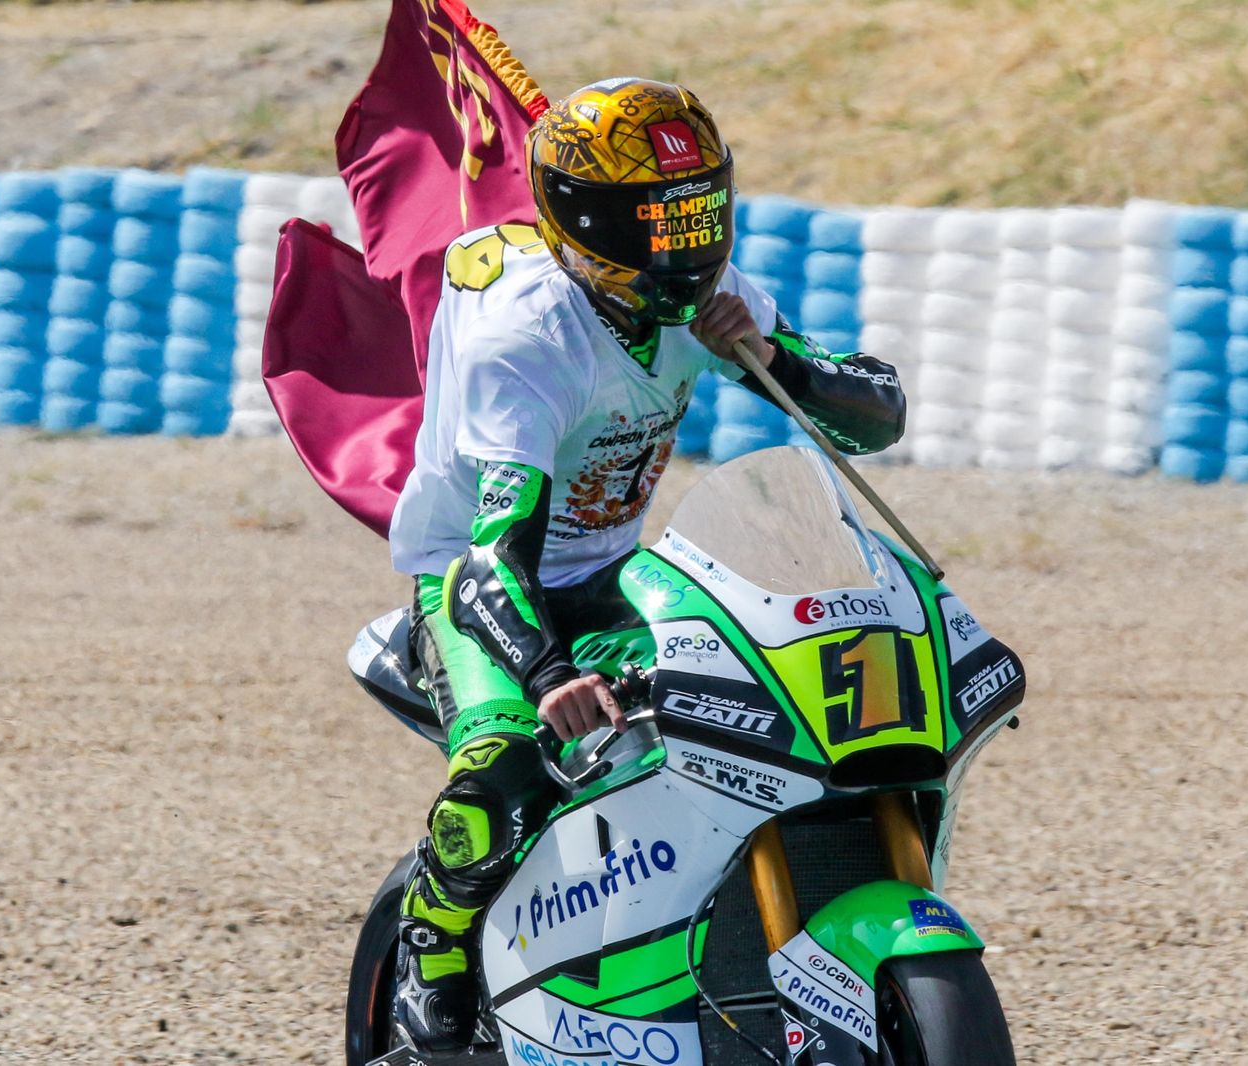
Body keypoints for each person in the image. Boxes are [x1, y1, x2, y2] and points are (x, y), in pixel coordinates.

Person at [383, 77, 907, 1050]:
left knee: (761, 708)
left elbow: (878, 417)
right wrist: (547, 674)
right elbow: (498, 554)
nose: (689, 250)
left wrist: (771, 358)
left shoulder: (718, 298)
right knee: (502, 770)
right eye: (659, 223)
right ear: (587, 225)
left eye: (700, 212)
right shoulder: (528, 342)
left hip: (618, 568)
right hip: (480, 582)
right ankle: (433, 951)